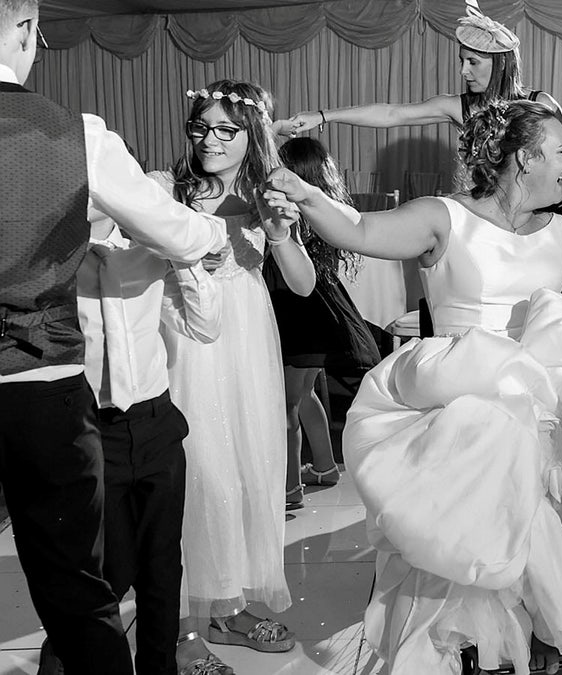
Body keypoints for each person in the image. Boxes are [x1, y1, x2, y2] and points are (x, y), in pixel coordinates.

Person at [263, 98, 562, 675]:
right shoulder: (444, 218)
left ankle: (555, 621)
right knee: (502, 440)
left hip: (541, 385)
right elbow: (361, 229)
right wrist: (302, 192)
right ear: (524, 158)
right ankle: (548, 625)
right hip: (457, 390)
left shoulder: (557, 232)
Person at [1, 2, 227, 672]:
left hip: (133, 415)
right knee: (78, 593)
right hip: (38, 385)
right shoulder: (75, 135)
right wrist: (211, 234)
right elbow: (181, 232)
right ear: (20, 32)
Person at [157, 79, 316, 674]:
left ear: (253, 134)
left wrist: (279, 236)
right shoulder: (167, 190)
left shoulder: (265, 192)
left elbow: (302, 285)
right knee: (202, 480)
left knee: (250, 474)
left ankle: (229, 606)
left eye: (227, 130)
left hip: (249, 344)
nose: (211, 141)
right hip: (189, 346)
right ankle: (181, 629)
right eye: (202, 128)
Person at [280, 4, 562, 221]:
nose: (462, 71)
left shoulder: (540, 104)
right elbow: (392, 115)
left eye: (472, 62)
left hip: (540, 216)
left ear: (500, 63)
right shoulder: (460, 107)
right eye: (461, 60)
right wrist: (324, 116)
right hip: (488, 215)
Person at [270, 137, 380, 511]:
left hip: (295, 314)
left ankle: (288, 488)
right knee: (304, 395)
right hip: (324, 315)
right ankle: (325, 466)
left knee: (285, 403)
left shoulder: (288, 213)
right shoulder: (325, 212)